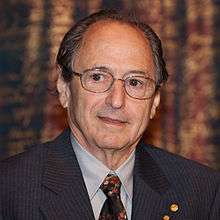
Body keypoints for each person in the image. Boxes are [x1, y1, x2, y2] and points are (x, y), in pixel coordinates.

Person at [0, 9, 220, 220]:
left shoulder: (202, 192)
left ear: (155, 101)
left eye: (135, 82)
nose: (116, 101)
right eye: (97, 77)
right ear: (64, 88)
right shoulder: (9, 190)